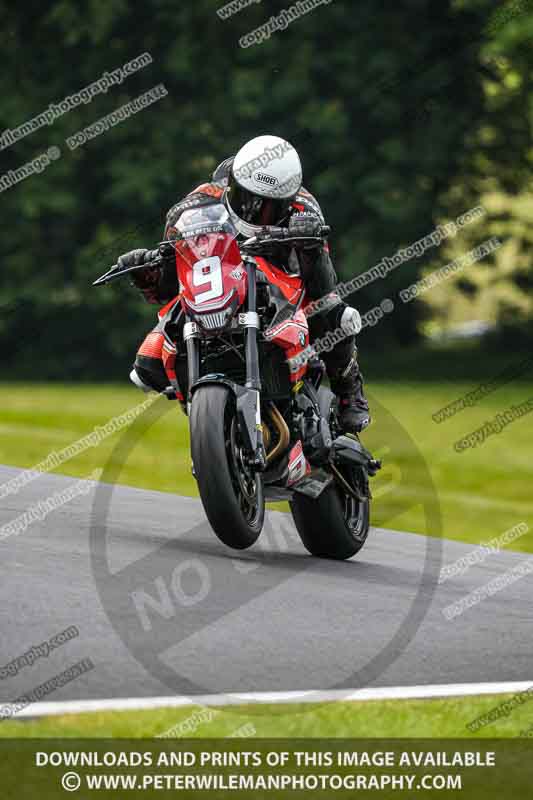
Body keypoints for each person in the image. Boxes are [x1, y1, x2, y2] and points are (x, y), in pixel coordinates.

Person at [119, 135, 370, 433]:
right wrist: (147, 273)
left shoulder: (305, 207)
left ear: (287, 201)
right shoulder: (196, 203)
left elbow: (322, 283)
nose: (253, 211)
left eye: (267, 208)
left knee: (334, 312)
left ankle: (349, 392)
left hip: (280, 287)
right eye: (246, 199)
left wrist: (309, 244)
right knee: (147, 366)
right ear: (233, 184)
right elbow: (173, 282)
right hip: (220, 289)